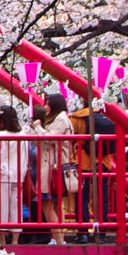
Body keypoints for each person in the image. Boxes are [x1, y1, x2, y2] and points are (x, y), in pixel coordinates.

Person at [0, 105, 30, 244]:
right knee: (16, 207)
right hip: (18, 173)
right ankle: (15, 240)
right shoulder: (23, 135)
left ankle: (2, 241)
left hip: (0, 174)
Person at [35, 93, 75, 242]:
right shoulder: (64, 118)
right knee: (57, 203)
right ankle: (59, 238)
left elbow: (49, 138)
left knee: (47, 202)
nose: (45, 107)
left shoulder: (61, 119)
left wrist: (38, 128)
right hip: (56, 165)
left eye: (47, 104)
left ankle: (59, 240)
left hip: (52, 166)